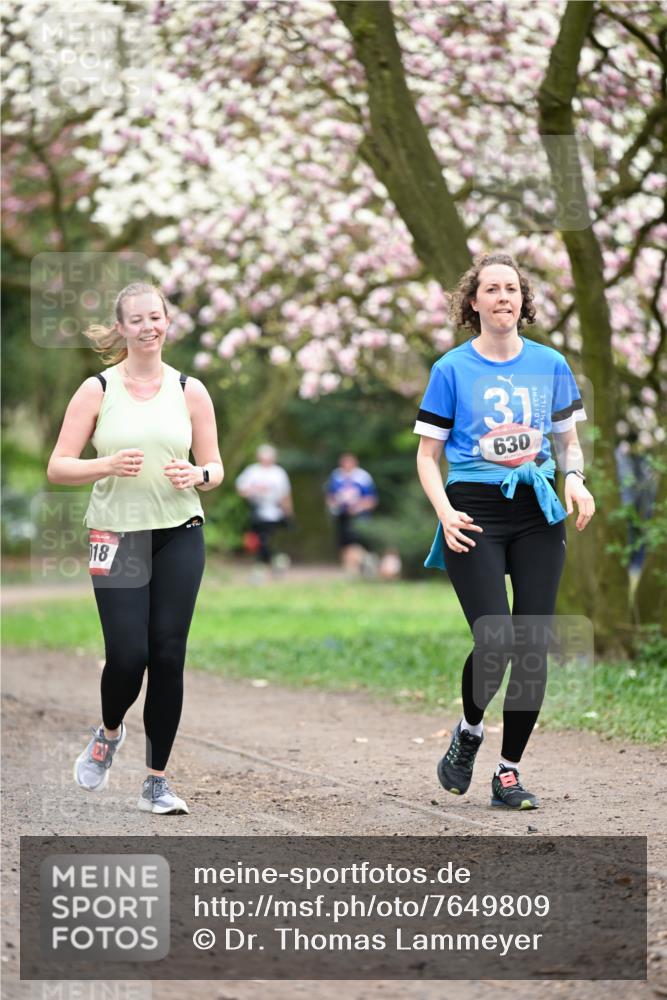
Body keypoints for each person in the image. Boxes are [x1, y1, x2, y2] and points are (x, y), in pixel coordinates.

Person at [415, 253, 595, 810]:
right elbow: (427, 456)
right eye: (491, 289)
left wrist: (576, 480)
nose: (503, 298)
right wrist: (444, 513)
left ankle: (509, 772)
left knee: (533, 645)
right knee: (495, 638)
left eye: (511, 289)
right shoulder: (451, 369)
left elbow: (567, 440)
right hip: (473, 511)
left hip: (539, 509)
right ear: (473, 302)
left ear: (523, 299)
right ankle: (469, 732)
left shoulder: (550, 363)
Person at [47, 281, 223, 815]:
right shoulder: (97, 389)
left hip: (180, 531)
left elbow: (215, 469)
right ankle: (108, 732)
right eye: (137, 320)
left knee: (168, 655)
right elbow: (58, 465)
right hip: (116, 533)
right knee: (129, 654)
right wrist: (105, 465)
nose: (149, 327)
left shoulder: (190, 389)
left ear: (167, 322)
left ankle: (156, 780)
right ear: (121, 328)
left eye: (157, 317)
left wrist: (197, 472)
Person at [235, 445, 293, 570]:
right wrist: (254, 490)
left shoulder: (279, 473)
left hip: (274, 512)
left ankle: (266, 562)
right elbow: (241, 490)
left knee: (266, 539)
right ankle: (273, 560)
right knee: (259, 540)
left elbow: (285, 495)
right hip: (257, 511)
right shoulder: (252, 471)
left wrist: (288, 512)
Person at [325, 453, 378, 573]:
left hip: (360, 516)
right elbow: (330, 496)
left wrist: (358, 507)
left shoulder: (363, 477)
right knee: (343, 542)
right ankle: (349, 569)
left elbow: (372, 499)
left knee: (356, 541)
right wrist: (334, 504)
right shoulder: (336, 476)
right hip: (342, 515)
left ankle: (362, 565)